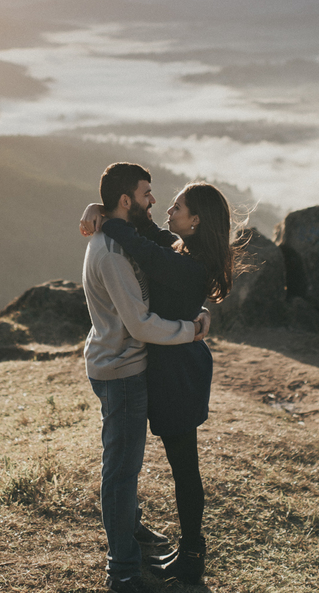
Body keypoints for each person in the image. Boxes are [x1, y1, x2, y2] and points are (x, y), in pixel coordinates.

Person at [80, 180, 236, 587]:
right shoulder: (182, 248)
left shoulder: (186, 265)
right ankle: (169, 543)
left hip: (179, 376)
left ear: (197, 221)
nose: (168, 211)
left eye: (178, 207)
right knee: (161, 464)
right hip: (167, 369)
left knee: (185, 469)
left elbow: (140, 244)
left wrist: (108, 221)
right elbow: (147, 233)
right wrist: (99, 207)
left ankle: (191, 555)